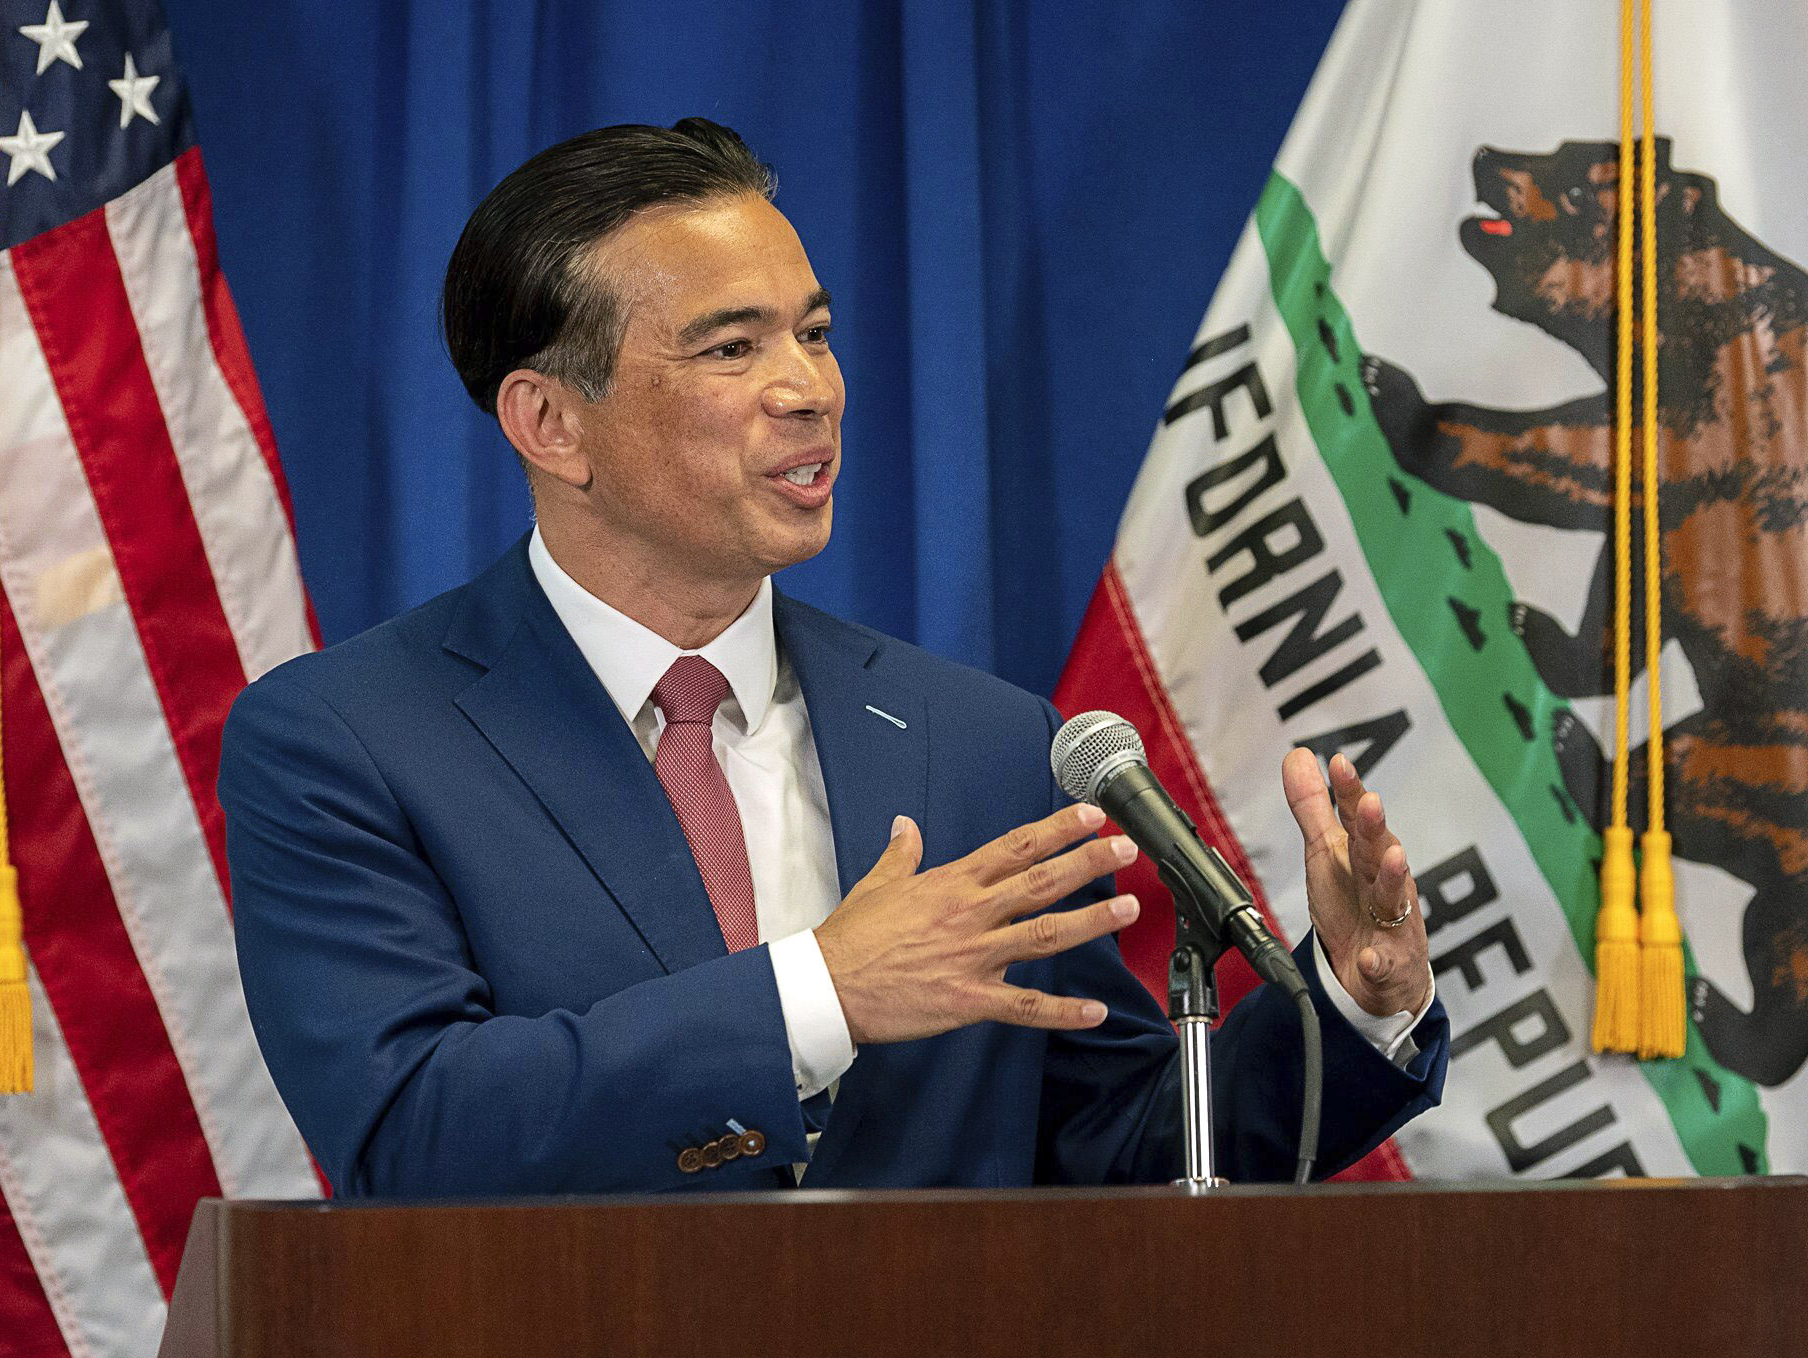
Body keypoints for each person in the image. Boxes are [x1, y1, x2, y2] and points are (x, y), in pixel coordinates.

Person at [220, 118, 1446, 1196]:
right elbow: (412, 1133)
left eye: (814, 332)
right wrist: (819, 995)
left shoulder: (984, 744)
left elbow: (1119, 1149)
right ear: (551, 422)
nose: (809, 388)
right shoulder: (348, 740)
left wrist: (1355, 995)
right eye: (732, 349)